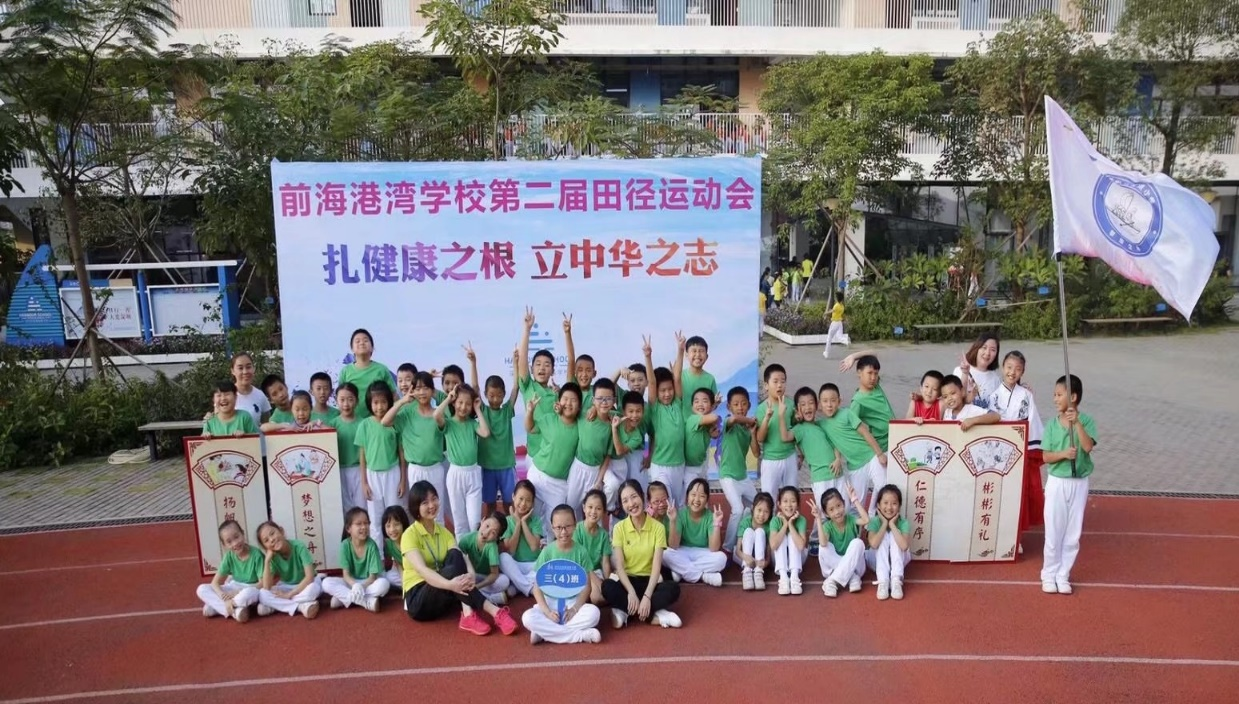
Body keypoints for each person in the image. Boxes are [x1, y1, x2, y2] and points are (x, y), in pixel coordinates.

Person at [400, 481, 519, 636]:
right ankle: (495, 611)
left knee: (455, 555)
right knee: (452, 572)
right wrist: (450, 585)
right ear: (416, 507)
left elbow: (461, 557)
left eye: (434, 499)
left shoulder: (444, 532)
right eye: (425, 502)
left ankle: (468, 614)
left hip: (443, 594)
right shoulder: (409, 535)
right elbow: (423, 571)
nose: (432, 505)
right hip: (419, 600)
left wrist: (471, 574)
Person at [1041, 374, 1096, 596]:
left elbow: (1088, 447)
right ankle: (1049, 574)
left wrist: (1077, 423)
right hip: (1057, 482)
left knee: (1073, 533)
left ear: (1073, 397)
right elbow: (1046, 457)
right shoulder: (1052, 425)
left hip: (1079, 483)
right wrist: (1063, 454)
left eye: (1059, 394)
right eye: (1054, 395)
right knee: (1054, 531)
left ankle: (1063, 574)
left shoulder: (1087, 421)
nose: (1055, 399)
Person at [601, 480, 682, 629]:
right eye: (625, 500)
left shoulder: (658, 528)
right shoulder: (619, 528)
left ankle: (628, 611)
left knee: (673, 588)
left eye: (634, 497)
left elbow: (656, 568)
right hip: (627, 582)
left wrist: (647, 596)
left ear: (642, 497)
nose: (631, 504)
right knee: (607, 586)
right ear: (622, 505)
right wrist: (631, 593)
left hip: (650, 581)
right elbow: (619, 567)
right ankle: (653, 615)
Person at [984, 351, 1046, 539]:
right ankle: (999, 535)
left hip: (1020, 450)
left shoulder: (1026, 395)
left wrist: (1028, 449)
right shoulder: (994, 396)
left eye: (1018, 369)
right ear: (1003, 367)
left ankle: (1015, 537)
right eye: (1009, 367)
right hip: (998, 452)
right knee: (1000, 494)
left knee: (1017, 494)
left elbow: (1032, 422)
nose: (1012, 372)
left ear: (1022, 372)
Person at [523, 504, 604, 645]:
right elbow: (537, 588)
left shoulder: (581, 552)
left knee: (594, 614)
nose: (563, 532)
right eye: (559, 527)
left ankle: (545, 633)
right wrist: (547, 612)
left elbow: (587, 587)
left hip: (573, 602)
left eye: (568, 526)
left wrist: (574, 610)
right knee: (527, 617)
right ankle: (580, 635)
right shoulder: (547, 552)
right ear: (552, 527)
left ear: (575, 525)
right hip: (550, 602)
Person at [383, 371, 447, 521]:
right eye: (418, 388)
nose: (422, 392)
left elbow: (448, 401)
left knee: (437, 513)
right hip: (415, 470)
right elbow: (385, 422)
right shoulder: (406, 413)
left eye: (426, 388)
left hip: (435, 468)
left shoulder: (438, 414)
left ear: (432, 391)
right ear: (412, 391)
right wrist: (402, 401)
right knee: (419, 513)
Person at [816, 383, 885, 517]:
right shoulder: (822, 425)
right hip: (854, 467)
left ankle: (874, 517)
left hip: (871, 457)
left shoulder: (847, 414)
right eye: (825, 401)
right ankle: (857, 530)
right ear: (820, 404)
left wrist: (879, 453)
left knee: (884, 489)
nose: (829, 405)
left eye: (833, 400)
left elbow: (865, 432)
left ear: (839, 401)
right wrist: (837, 458)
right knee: (855, 504)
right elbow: (835, 444)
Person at [467, 343, 520, 517]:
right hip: (487, 466)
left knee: (509, 504)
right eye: (491, 396)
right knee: (489, 504)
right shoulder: (482, 410)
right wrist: (473, 363)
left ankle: (510, 529)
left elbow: (516, 387)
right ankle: (490, 530)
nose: (495, 399)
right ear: (485, 394)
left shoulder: (507, 411)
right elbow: (474, 387)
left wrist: (515, 363)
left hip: (506, 466)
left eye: (499, 395)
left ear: (504, 394)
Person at [778, 387, 844, 522]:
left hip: (838, 473)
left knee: (843, 509)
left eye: (811, 403)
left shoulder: (822, 424)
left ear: (817, 405)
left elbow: (835, 444)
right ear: (797, 409)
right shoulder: (799, 429)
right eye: (803, 404)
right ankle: (816, 535)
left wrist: (838, 458)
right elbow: (785, 437)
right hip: (820, 478)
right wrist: (781, 415)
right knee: (822, 514)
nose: (807, 407)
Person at [839, 354, 894, 512]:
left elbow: (874, 354)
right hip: (880, 449)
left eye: (876, 373)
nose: (873, 377)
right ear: (859, 373)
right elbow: (854, 428)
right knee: (882, 489)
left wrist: (853, 356)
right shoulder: (857, 402)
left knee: (884, 487)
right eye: (869, 373)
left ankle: (872, 515)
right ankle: (866, 519)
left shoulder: (877, 388)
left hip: (893, 443)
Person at [435, 385, 492, 539]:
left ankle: (474, 549)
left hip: (473, 473)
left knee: (474, 521)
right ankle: (462, 551)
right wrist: (448, 398)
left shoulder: (472, 423)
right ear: (454, 403)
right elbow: (436, 415)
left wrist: (478, 410)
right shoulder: (448, 423)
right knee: (460, 522)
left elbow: (485, 432)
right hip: (456, 474)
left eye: (468, 404)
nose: (463, 407)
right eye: (460, 402)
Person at [525, 384, 581, 533]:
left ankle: (551, 548)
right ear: (559, 401)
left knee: (555, 527)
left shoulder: (580, 427)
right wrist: (530, 411)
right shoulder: (549, 418)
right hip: (537, 476)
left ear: (580, 406)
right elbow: (530, 428)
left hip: (559, 485)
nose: (568, 403)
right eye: (565, 399)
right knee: (531, 518)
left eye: (573, 400)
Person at [356, 381, 404, 541]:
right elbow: (362, 456)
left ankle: (397, 554)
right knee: (375, 519)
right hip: (373, 476)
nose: (380, 407)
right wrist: (364, 483)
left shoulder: (395, 423)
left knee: (394, 517)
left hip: (392, 474)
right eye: (375, 402)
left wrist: (403, 480)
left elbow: (401, 452)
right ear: (369, 403)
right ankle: (379, 555)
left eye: (383, 402)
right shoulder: (364, 425)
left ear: (389, 402)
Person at [643, 333, 687, 504]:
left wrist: (681, 350)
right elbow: (652, 382)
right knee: (661, 503)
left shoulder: (677, 403)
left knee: (677, 504)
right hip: (660, 465)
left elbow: (677, 377)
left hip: (679, 464)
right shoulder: (655, 407)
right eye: (663, 391)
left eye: (670, 389)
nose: (667, 393)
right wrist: (648, 357)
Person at [322, 507, 390, 612]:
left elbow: (372, 577)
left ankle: (344, 598)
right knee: (326, 583)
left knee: (384, 584)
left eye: (366, 523)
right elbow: (346, 575)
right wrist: (355, 585)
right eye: (359, 524)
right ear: (348, 528)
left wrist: (360, 586)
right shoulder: (345, 545)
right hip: (350, 583)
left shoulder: (372, 545)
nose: (364, 527)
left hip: (367, 584)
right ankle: (366, 602)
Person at [518, 307, 564, 463]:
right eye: (538, 364)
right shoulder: (528, 386)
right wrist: (527, 330)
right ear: (531, 369)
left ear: (553, 371)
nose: (542, 368)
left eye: (546, 365)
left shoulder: (557, 393)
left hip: (553, 454)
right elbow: (522, 359)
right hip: (534, 456)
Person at [662, 478, 726, 587]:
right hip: (682, 551)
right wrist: (673, 521)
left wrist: (716, 523)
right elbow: (673, 545)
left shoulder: (710, 516)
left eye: (702, 496)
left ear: (707, 500)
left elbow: (714, 548)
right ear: (687, 497)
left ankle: (680, 571)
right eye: (693, 495)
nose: (696, 499)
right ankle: (704, 576)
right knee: (665, 553)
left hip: (703, 553)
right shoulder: (680, 514)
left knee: (721, 558)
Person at [196, 519, 261, 623]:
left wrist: (238, 592)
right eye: (229, 541)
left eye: (237, 537)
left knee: (247, 594)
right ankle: (236, 612)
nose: (235, 543)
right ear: (224, 545)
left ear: (243, 533)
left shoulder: (256, 555)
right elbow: (215, 583)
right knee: (201, 589)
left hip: (250, 588)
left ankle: (218, 607)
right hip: (233, 586)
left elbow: (262, 583)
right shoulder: (229, 556)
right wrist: (225, 598)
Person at [718, 386, 758, 552]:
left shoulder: (747, 430)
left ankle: (748, 539)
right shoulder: (729, 422)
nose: (740, 407)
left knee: (758, 506)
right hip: (728, 476)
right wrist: (750, 420)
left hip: (743, 477)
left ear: (749, 405)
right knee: (738, 509)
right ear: (729, 407)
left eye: (743, 404)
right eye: (736, 404)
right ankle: (728, 547)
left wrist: (753, 432)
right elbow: (734, 419)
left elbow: (756, 453)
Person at [569, 379, 616, 521]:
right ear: (593, 400)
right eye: (600, 399)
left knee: (594, 511)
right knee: (571, 506)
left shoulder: (613, 424)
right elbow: (568, 408)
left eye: (608, 399)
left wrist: (599, 480)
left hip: (596, 471)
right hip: (578, 468)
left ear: (614, 400)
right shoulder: (585, 415)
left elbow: (607, 456)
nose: (604, 402)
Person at [255, 521, 322, 619]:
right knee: (263, 594)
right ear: (265, 547)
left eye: (272, 533)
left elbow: (309, 577)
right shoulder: (272, 557)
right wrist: (267, 561)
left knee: (313, 590)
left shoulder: (299, 546)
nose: (272, 540)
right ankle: (300, 607)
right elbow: (266, 587)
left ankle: (276, 606)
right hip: (287, 585)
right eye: (266, 540)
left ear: (281, 531)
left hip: (306, 584)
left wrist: (289, 595)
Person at [813, 485, 869, 597]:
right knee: (823, 547)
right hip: (835, 567)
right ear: (826, 513)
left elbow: (866, 520)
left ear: (844, 504)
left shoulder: (850, 519)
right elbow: (823, 543)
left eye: (839, 506)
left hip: (856, 567)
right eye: (831, 510)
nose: (837, 512)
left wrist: (855, 500)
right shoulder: (827, 526)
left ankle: (832, 581)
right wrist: (818, 519)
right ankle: (851, 577)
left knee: (858, 543)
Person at [755, 363, 797, 497]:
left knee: (791, 497)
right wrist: (767, 418)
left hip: (790, 456)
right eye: (775, 381)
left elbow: (796, 429)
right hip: (771, 460)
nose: (780, 385)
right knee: (768, 499)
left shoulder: (790, 404)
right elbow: (760, 438)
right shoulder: (761, 409)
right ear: (766, 385)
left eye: (783, 381)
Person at [498, 479, 545, 597]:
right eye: (521, 498)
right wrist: (518, 524)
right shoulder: (507, 521)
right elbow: (511, 549)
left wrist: (523, 522)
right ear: (513, 497)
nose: (523, 504)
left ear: (533, 503)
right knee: (503, 558)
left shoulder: (535, 520)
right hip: (516, 565)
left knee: (548, 564)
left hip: (534, 565)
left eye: (528, 500)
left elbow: (534, 547)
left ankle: (518, 586)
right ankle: (529, 588)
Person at [338, 328, 398, 419]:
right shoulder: (345, 371)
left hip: (378, 421)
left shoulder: (381, 370)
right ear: (352, 348)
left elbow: (394, 396)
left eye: (365, 340)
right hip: (352, 421)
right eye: (357, 341)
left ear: (372, 347)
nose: (361, 343)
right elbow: (341, 397)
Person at [866, 485, 911, 601]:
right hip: (876, 560)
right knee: (884, 535)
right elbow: (874, 544)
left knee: (894, 534)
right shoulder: (874, 521)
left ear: (899, 506)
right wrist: (885, 524)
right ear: (878, 505)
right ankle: (883, 581)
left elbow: (904, 546)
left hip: (898, 561)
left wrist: (892, 525)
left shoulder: (903, 522)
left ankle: (896, 580)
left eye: (894, 503)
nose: (889, 507)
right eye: (885, 503)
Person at [457, 513, 512, 605]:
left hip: (485, 579)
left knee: (504, 581)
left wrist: (477, 587)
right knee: (460, 578)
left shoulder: (492, 547)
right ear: (482, 521)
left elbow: (494, 574)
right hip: (471, 575)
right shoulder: (467, 539)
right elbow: (458, 559)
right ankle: (491, 598)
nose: (486, 533)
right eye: (487, 526)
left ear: (497, 538)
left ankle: (477, 596)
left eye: (493, 533)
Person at [327, 383, 363, 516]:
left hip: (360, 469)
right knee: (346, 508)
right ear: (336, 401)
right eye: (342, 400)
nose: (346, 404)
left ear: (357, 401)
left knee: (362, 506)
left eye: (350, 399)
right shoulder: (333, 424)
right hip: (340, 470)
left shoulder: (363, 423)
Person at [607, 394, 646, 512]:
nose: (634, 415)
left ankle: (614, 512)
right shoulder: (615, 416)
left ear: (643, 411)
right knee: (611, 487)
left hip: (622, 461)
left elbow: (619, 451)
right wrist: (593, 409)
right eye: (631, 411)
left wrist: (614, 429)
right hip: (605, 461)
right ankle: (608, 509)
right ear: (623, 411)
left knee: (620, 492)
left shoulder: (637, 436)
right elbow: (601, 408)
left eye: (638, 411)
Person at [574, 489, 612, 605]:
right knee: (591, 597)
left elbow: (605, 562)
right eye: (590, 507)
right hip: (580, 570)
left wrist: (607, 584)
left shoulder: (603, 534)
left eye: (598, 508)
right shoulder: (577, 530)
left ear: (604, 512)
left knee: (597, 598)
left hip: (596, 571)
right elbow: (581, 563)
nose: (593, 512)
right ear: (584, 508)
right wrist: (599, 583)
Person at [769, 485, 808, 596]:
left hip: (799, 559)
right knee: (782, 537)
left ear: (798, 504)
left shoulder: (801, 520)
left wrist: (790, 524)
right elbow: (773, 546)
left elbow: (801, 546)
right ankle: (783, 578)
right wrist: (784, 525)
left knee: (791, 535)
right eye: (785, 501)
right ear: (779, 504)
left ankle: (794, 578)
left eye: (793, 501)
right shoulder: (775, 520)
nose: (789, 505)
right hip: (778, 560)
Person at [683, 387, 722, 491]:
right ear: (692, 407)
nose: (700, 404)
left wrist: (713, 434)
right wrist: (714, 406)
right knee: (692, 494)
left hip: (701, 465)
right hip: (689, 469)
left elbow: (714, 434)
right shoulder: (693, 419)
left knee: (701, 494)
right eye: (696, 401)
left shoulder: (706, 423)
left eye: (704, 401)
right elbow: (714, 417)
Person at [735, 491, 774, 591]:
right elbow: (738, 550)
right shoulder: (745, 522)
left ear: (770, 513)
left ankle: (758, 572)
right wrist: (746, 557)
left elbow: (768, 552)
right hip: (745, 556)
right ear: (753, 508)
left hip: (760, 559)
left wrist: (765, 563)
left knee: (760, 531)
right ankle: (747, 571)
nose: (761, 515)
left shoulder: (769, 526)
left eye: (766, 512)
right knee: (749, 531)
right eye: (759, 510)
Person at [954, 333, 1002, 408]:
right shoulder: (959, 371)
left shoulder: (996, 379)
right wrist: (965, 374)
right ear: (977, 348)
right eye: (984, 347)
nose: (987, 353)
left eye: (993, 350)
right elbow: (956, 401)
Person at [680, 335, 718, 420]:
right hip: (683, 424)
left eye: (701, 351)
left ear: (706, 356)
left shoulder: (710, 379)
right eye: (694, 351)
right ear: (686, 354)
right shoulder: (680, 376)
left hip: (703, 424)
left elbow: (713, 405)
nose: (697, 354)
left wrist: (716, 402)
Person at [229, 352, 270, 427]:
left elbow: (266, 424)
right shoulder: (225, 395)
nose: (245, 372)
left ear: (253, 368)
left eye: (248, 367)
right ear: (233, 371)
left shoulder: (260, 396)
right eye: (240, 368)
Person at [381, 505, 411, 590]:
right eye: (388, 526)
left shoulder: (410, 539)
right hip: (405, 571)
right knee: (389, 577)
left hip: (417, 570)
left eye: (396, 524)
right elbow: (398, 563)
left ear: (403, 524)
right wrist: (404, 581)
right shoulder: (389, 544)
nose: (392, 529)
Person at [821, 292, 848, 360]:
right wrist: (830, 311)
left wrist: (825, 313)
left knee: (829, 337)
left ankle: (826, 352)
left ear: (837, 298)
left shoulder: (836, 305)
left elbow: (832, 311)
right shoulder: (842, 306)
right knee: (839, 336)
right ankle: (846, 341)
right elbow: (834, 311)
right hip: (839, 323)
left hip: (835, 323)